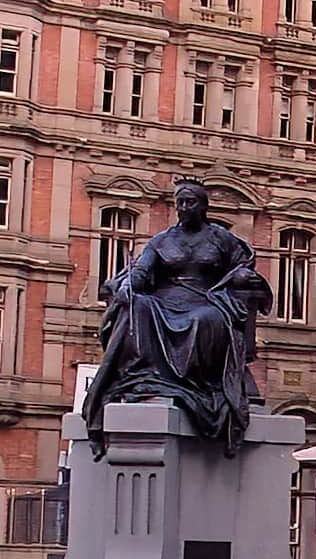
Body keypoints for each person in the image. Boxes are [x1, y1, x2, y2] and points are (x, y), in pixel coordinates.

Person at [82, 178, 273, 457]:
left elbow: (242, 264)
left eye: (190, 202)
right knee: (137, 307)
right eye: (180, 203)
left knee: (202, 320)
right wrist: (128, 286)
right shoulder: (162, 240)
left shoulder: (220, 237)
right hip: (167, 299)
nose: (183, 208)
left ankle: (192, 383)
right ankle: (137, 379)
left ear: (203, 206)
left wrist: (242, 276)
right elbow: (141, 271)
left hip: (207, 299)